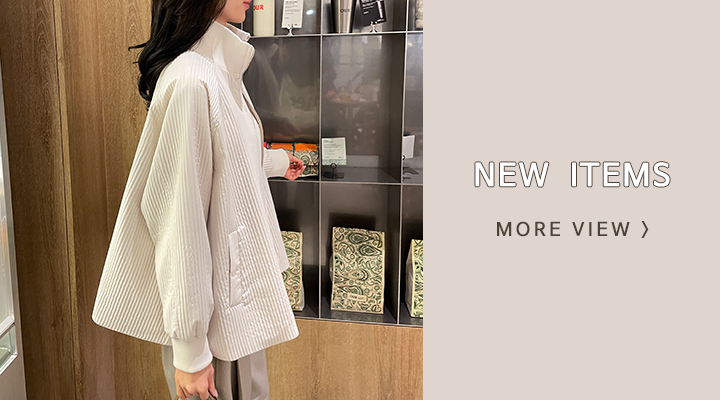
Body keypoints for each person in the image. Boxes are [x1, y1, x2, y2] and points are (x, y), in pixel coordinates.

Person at [91, 0, 305, 399]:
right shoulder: (193, 79)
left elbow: (227, 160)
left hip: (230, 300)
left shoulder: (217, 68)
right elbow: (179, 220)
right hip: (213, 313)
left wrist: (277, 161)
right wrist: (190, 351)